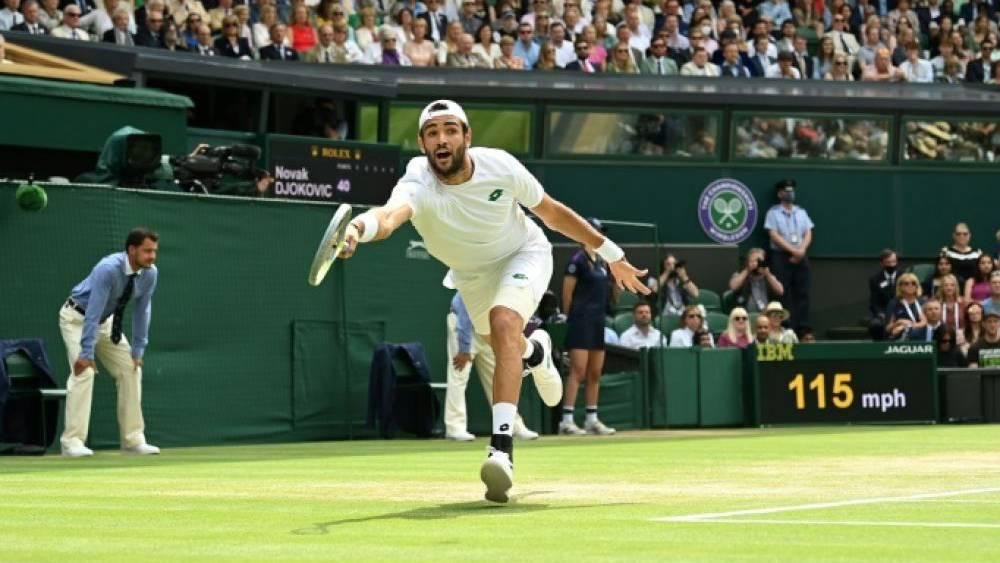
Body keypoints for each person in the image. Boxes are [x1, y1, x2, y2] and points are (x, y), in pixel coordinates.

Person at [338, 100, 649, 504]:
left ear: (467, 136)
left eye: (450, 129)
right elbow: (390, 216)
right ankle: (536, 353)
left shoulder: (500, 166)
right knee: (506, 342)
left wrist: (612, 255)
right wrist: (357, 229)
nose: (442, 139)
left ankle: (501, 450)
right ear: (422, 143)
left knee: (504, 323)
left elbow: (553, 214)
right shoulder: (417, 178)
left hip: (523, 253)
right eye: (432, 133)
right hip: (472, 275)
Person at [59, 228, 161, 458]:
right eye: (147, 251)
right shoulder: (107, 268)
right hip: (77, 319)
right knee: (83, 372)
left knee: (131, 368)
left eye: (154, 251)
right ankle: (72, 442)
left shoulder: (150, 273)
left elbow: (142, 310)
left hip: (106, 323)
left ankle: (133, 440)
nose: (152, 256)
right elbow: (92, 312)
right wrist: (87, 352)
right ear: (132, 250)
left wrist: (138, 349)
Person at [444, 292, 538, 442]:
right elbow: (464, 314)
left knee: (499, 376)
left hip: (487, 328)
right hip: (463, 326)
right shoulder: (473, 283)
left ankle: (512, 425)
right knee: (458, 377)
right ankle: (455, 428)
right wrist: (464, 348)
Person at [560, 217, 617, 436]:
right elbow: (567, 293)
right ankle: (566, 421)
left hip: (597, 322)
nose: (600, 234)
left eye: (601, 231)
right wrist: (568, 318)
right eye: (597, 230)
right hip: (579, 321)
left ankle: (591, 419)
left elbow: (611, 294)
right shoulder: (577, 260)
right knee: (578, 371)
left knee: (595, 373)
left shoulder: (602, 263)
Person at [764, 178, 813, 333]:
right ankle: (785, 326)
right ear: (780, 194)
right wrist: (793, 251)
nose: (790, 193)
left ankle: (802, 326)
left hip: (801, 254)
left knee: (802, 292)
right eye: (786, 190)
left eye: (792, 190)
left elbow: (808, 232)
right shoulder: (773, 213)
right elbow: (773, 234)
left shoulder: (802, 212)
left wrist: (801, 251)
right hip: (781, 256)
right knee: (782, 292)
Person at [730, 247, 784, 314]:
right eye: (753, 261)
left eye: (759, 261)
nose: (756, 264)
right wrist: (747, 270)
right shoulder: (741, 274)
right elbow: (733, 287)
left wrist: (768, 274)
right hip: (745, 317)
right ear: (747, 262)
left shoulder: (768, 276)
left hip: (767, 317)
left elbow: (780, 291)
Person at [868, 248, 899, 340]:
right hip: (883, 314)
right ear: (882, 263)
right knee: (875, 325)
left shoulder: (904, 276)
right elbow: (874, 303)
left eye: (893, 262)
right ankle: (879, 349)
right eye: (888, 262)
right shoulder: (875, 279)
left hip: (902, 312)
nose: (891, 265)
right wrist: (881, 314)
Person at [887, 272, 926, 340]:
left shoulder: (922, 302)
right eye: (906, 284)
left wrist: (906, 326)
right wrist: (898, 322)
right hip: (899, 336)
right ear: (900, 286)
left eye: (913, 283)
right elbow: (888, 328)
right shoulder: (894, 303)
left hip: (920, 335)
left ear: (917, 286)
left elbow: (924, 323)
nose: (910, 286)